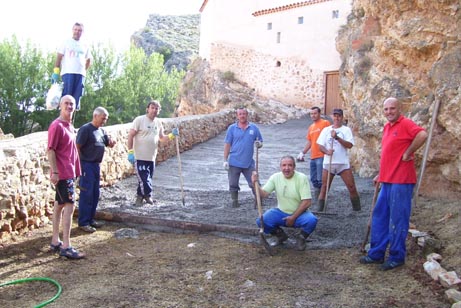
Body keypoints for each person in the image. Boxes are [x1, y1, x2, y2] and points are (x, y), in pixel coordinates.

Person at [360, 97, 428, 271]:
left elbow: (422, 134)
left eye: (392, 108)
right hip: (387, 179)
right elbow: (390, 154)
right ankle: (376, 253)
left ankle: (397, 257)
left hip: (402, 180)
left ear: (399, 109)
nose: (389, 112)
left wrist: (409, 151)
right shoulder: (387, 127)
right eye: (386, 109)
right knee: (380, 216)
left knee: (397, 220)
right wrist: (380, 174)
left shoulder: (405, 124)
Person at [252, 155, 318, 251]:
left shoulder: (301, 178)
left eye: (290, 165)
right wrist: (255, 183)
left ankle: (301, 238)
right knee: (261, 221)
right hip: (281, 212)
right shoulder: (275, 177)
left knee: (312, 220)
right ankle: (280, 235)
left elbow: (307, 202)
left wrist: (293, 217)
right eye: (284, 165)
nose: (286, 168)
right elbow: (263, 194)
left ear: (294, 167)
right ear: (280, 167)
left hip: (299, 214)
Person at [47, 95, 84, 259]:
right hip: (63, 173)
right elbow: (50, 150)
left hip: (69, 171)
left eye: (72, 104)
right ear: (60, 106)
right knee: (69, 207)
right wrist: (55, 172)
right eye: (66, 103)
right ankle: (66, 246)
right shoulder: (57, 126)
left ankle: (55, 241)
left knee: (59, 205)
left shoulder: (69, 125)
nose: (69, 106)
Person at [127, 100, 179, 206]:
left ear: (159, 111)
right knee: (145, 180)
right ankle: (148, 196)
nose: (154, 110)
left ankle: (139, 198)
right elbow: (131, 135)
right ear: (148, 109)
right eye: (152, 107)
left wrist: (172, 135)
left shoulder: (158, 123)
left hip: (151, 157)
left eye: (157, 108)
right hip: (139, 157)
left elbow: (162, 138)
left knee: (145, 179)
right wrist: (130, 151)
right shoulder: (139, 120)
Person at [76, 107, 116, 233]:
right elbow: (77, 147)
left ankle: (91, 219)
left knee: (95, 194)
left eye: (106, 119)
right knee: (86, 194)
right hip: (86, 164)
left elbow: (107, 143)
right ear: (95, 116)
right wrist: (78, 166)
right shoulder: (85, 129)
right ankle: (83, 222)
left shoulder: (101, 131)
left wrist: (111, 142)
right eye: (103, 118)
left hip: (96, 165)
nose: (104, 121)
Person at [316, 108, 361, 211]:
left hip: (342, 164)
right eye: (335, 115)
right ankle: (320, 210)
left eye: (339, 116)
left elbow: (349, 145)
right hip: (328, 164)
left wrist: (337, 138)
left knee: (351, 187)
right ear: (332, 116)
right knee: (324, 188)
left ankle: (357, 209)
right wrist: (327, 152)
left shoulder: (346, 130)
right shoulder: (326, 130)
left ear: (342, 117)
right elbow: (320, 146)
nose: (337, 118)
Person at [223, 107, 263, 208]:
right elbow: (227, 144)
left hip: (248, 162)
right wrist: (225, 160)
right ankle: (235, 202)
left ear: (247, 115)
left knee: (254, 182)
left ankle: (258, 200)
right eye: (240, 114)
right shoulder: (232, 128)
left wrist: (259, 144)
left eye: (244, 114)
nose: (242, 116)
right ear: (237, 116)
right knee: (233, 183)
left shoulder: (254, 128)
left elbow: (260, 141)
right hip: (234, 162)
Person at [51, 22, 91, 111]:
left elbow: (89, 59)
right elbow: (59, 57)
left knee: (75, 100)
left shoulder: (85, 44)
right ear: (72, 30)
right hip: (68, 72)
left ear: (82, 32)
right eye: (75, 30)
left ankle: (71, 122)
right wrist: (56, 72)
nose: (77, 32)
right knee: (67, 98)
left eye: (80, 30)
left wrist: (84, 70)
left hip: (80, 74)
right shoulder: (66, 42)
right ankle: (62, 121)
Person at [297, 106, 331, 204]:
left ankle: (322, 201)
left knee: (321, 179)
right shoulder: (311, 127)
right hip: (313, 156)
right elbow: (310, 142)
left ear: (319, 114)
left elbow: (330, 136)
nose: (313, 115)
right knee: (314, 179)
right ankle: (317, 199)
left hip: (322, 155)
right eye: (311, 114)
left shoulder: (325, 123)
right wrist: (303, 152)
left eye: (315, 113)